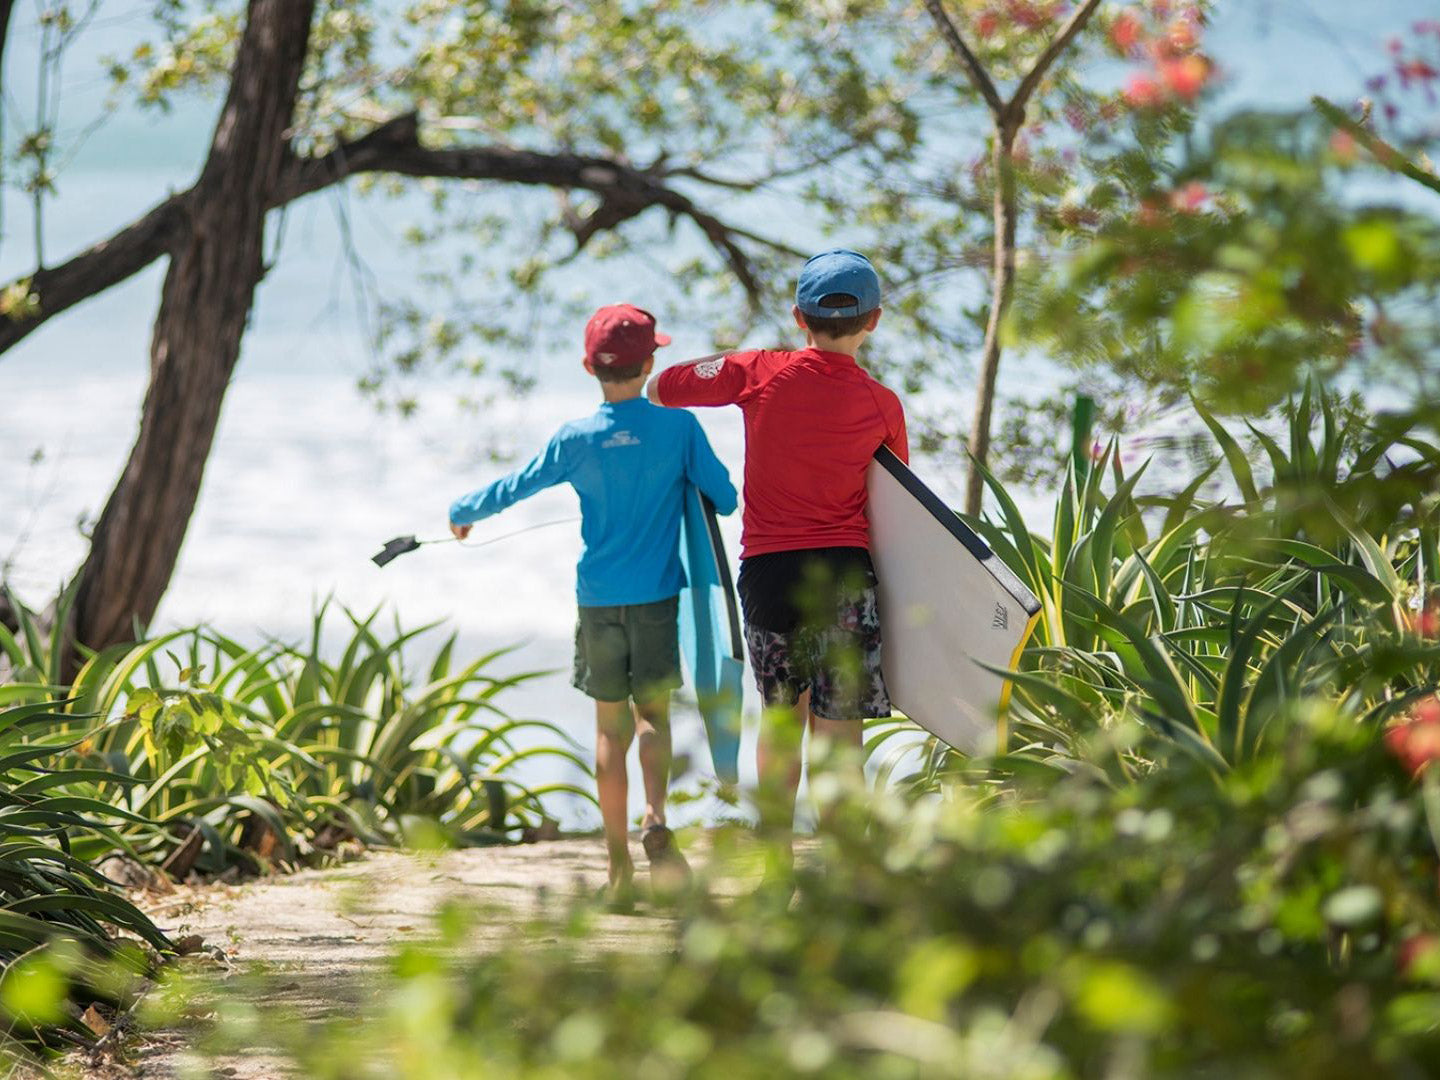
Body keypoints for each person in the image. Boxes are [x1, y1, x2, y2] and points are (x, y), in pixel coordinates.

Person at [449, 304, 737, 906]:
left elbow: (517, 485)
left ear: (589, 366)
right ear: (652, 361)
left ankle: (617, 870)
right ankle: (655, 819)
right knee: (652, 716)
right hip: (657, 597)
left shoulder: (575, 439)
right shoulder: (679, 429)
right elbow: (726, 498)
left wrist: (463, 513)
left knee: (609, 729)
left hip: (598, 602)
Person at [646, 249, 908, 873]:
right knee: (840, 734)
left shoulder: (760, 371)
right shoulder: (883, 405)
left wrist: (730, 370)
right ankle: (849, 876)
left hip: (769, 575)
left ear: (798, 316)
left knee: (781, 721)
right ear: (873, 320)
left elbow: (662, 388)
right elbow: (898, 508)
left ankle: (774, 866)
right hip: (845, 575)